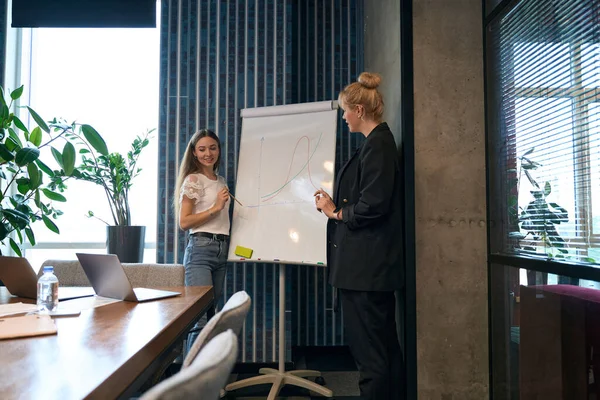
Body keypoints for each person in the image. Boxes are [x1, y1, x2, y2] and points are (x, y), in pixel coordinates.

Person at [314, 72, 405, 400]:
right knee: (384, 352)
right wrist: (335, 206)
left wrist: (336, 213)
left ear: (359, 111)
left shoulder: (378, 144)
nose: (343, 117)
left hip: (366, 273)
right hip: (367, 271)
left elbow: (373, 205)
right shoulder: (376, 144)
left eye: (345, 111)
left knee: (372, 358)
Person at [173, 129, 231, 348]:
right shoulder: (193, 180)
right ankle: (191, 380)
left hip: (221, 249)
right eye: (202, 149)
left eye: (213, 148)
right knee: (201, 320)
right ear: (194, 153)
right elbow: (184, 222)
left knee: (211, 318)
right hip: (200, 250)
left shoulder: (221, 180)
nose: (209, 153)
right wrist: (215, 208)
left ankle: (204, 378)